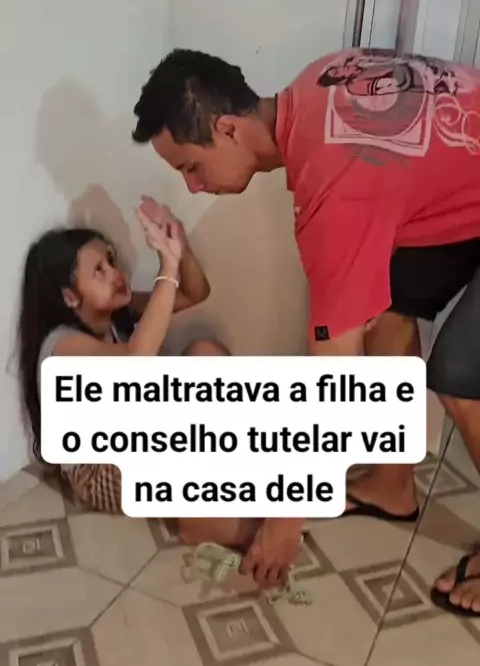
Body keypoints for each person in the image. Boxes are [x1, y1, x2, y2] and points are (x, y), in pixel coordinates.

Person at [130, 46, 480, 614]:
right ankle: (392, 483)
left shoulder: (333, 188)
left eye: (190, 167)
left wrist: (285, 516)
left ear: (227, 128)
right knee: (389, 304)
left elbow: (334, 376)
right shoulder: (316, 81)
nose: (193, 188)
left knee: (461, 374)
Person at [18, 194, 265, 555]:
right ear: (70, 297)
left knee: (206, 354)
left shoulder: (119, 312)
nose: (116, 274)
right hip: (100, 470)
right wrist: (168, 267)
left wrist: (179, 246)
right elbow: (138, 359)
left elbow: (196, 292)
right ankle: (201, 520)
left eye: (111, 261)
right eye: (99, 271)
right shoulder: (62, 345)